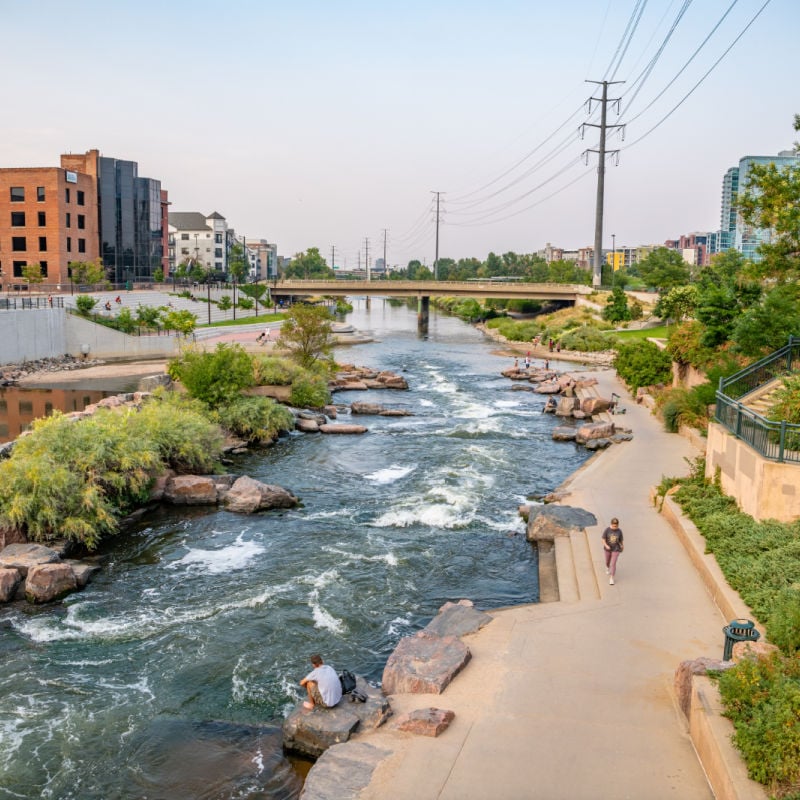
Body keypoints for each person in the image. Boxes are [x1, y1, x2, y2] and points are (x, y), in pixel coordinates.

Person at [602, 517, 624, 585]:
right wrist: (606, 545)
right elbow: (603, 539)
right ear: (611, 524)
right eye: (614, 526)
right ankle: (607, 567)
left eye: (616, 526)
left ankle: (611, 578)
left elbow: (621, 540)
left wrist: (622, 546)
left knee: (613, 563)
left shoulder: (619, 531)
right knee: (607, 561)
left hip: (616, 549)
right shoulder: (607, 530)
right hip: (608, 549)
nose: (615, 527)